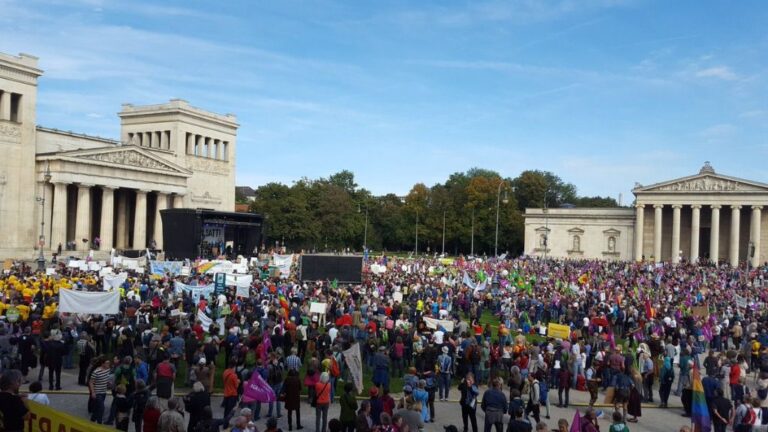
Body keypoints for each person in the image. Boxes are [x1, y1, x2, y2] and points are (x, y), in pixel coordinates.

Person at [89, 356, 112, 424]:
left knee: (97, 408)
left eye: (109, 363)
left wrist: (108, 383)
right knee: (102, 408)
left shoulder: (108, 370)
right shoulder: (96, 371)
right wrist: (93, 392)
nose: (108, 364)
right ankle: (99, 423)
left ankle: (92, 420)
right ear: (102, 364)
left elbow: (106, 378)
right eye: (107, 363)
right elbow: (91, 382)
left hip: (103, 392)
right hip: (97, 393)